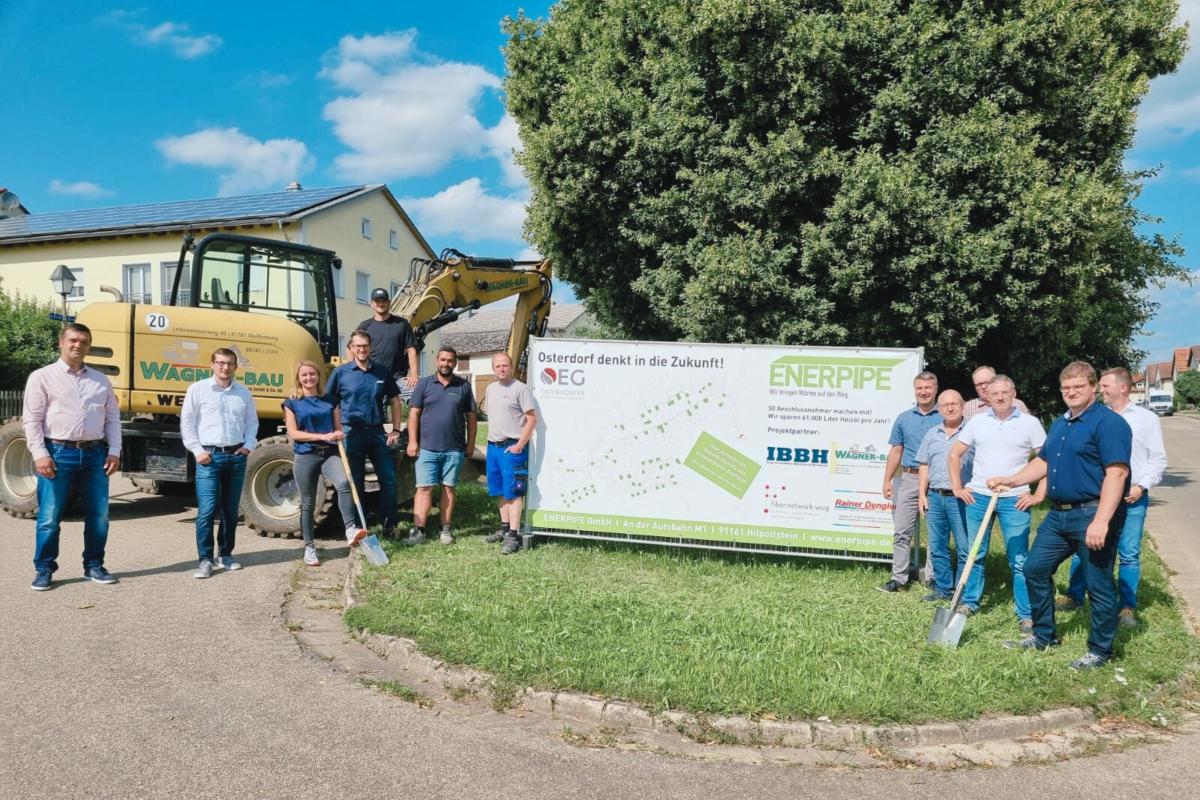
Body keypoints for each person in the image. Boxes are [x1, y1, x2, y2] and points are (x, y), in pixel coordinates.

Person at [989, 361, 1132, 670]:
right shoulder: (1060, 423)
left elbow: (1117, 474)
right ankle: (1044, 636)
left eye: (1078, 387)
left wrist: (1102, 521)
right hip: (1058, 516)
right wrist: (1011, 479)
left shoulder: (1108, 423)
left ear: (1093, 387)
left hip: (1092, 513)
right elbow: (1043, 463)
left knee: (1098, 583)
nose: (1071, 393)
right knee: (1034, 569)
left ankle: (1100, 650)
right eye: (1066, 388)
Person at [1058, 367, 1167, 627]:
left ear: (1123, 388)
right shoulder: (1093, 417)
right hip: (1096, 498)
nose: (1101, 390)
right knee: (1082, 548)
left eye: (1106, 385)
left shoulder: (1145, 419)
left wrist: (1140, 486)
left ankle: (1126, 607)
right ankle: (1075, 595)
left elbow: (1158, 460)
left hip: (1132, 498)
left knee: (1128, 553)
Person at [23, 323, 121, 591]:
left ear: (89, 346)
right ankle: (44, 569)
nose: (78, 345)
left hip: (94, 455)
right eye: (73, 340)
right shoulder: (42, 377)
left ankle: (94, 566)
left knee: (99, 515)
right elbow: (31, 420)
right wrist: (40, 454)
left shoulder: (100, 380)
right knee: (49, 517)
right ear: (61, 343)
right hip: (57, 453)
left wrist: (114, 450)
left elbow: (112, 418)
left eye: (84, 342)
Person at [948, 375, 1045, 631]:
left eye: (1005, 392)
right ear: (987, 397)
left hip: (1015, 499)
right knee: (974, 554)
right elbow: (955, 454)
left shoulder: (1030, 423)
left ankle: (1025, 613)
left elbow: (1047, 462)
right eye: (995, 393)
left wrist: (1038, 495)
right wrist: (958, 487)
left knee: (1019, 559)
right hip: (979, 496)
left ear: (1014, 393)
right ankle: (970, 602)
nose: (1000, 397)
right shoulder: (977, 422)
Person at [181, 348, 259, 579]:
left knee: (230, 511)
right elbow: (187, 423)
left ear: (236, 367)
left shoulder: (243, 393)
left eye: (230, 363)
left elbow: (251, 423)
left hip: (235, 457)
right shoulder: (198, 390)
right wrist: (197, 451)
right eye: (221, 363)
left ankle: (226, 554)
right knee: (206, 511)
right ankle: (205, 560)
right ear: (212, 364)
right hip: (209, 458)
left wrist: (248, 447)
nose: (225, 367)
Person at [282, 360, 365, 567]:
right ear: (299, 379)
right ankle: (309, 547)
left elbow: (338, 429)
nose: (309, 378)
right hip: (306, 455)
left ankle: (350, 528)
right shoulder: (292, 403)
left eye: (312, 374)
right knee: (308, 503)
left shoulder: (330, 400)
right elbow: (293, 433)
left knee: (344, 484)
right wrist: (322, 436)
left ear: (319, 376)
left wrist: (337, 433)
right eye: (304, 375)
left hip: (329, 453)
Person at [326, 330, 403, 535]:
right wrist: (336, 429)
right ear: (350, 348)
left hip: (377, 433)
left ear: (370, 348)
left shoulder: (381, 372)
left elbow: (395, 400)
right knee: (355, 481)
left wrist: (396, 429)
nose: (361, 349)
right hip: (351, 434)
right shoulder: (341, 373)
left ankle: (389, 524)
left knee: (388, 478)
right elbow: (330, 403)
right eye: (357, 346)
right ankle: (358, 527)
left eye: (365, 346)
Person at [406, 347, 477, 545]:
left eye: (450, 361)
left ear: (454, 363)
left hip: (454, 449)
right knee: (424, 488)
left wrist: (470, 445)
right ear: (437, 361)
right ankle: (418, 530)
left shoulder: (463, 386)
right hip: (427, 447)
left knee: (448, 488)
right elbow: (414, 414)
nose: (446, 364)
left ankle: (445, 529)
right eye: (442, 360)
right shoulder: (424, 384)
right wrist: (413, 441)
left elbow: (471, 419)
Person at [878, 371, 941, 592]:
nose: (924, 392)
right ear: (915, 391)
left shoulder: (944, 416)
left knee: (936, 532)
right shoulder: (903, 418)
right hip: (910, 478)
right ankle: (899, 578)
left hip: (937, 480)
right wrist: (887, 479)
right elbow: (896, 450)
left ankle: (932, 577)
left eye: (928, 388)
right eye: (920, 388)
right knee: (901, 531)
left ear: (935, 389)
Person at [916, 390, 972, 602]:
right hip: (935, 496)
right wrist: (922, 494)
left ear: (962, 405)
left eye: (954, 404)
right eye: (945, 405)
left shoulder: (971, 432)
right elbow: (924, 464)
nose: (949, 408)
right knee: (938, 546)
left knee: (964, 547)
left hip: (962, 498)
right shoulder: (932, 433)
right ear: (938, 409)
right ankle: (943, 588)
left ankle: (963, 592)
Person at [482, 352, 537, 555]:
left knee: (514, 493)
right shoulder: (490, 389)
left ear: (511, 367)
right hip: (493, 448)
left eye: (505, 366)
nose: (501, 369)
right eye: (498, 366)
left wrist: (519, 445)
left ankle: (514, 536)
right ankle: (504, 530)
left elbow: (532, 419)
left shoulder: (520, 389)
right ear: (493, 369)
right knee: (500, 491)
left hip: (511, 447)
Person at [357, 288, 419, 399]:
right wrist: (356, 372)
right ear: (371, 304)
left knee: (419, 394)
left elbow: (411, 350)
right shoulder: (365, 326)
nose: (381, 304)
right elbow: (351, 348)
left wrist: (414, 375)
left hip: (398, 379)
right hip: (374, 377)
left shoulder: (402, 324)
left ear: (389, 303)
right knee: (376, 411)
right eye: (377, 301)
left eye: (384, 301)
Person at [963, 365, 1030, 421]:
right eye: (979, 384)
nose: (983, 387)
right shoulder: (967, 408)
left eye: (987, 382)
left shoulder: (1017, 404)